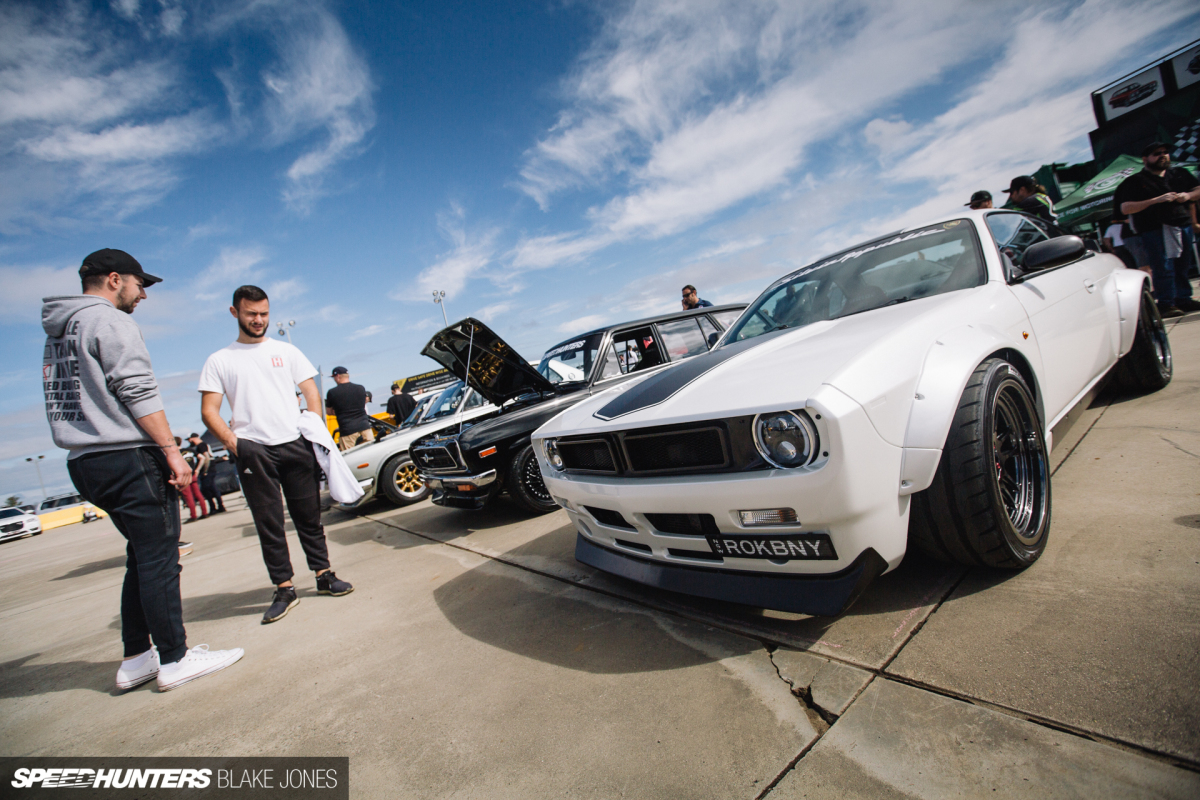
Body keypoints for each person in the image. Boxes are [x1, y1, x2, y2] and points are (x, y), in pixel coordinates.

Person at [41, 248, 242, 692]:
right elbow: (136, 389)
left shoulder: (60, 331)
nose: (143, 296)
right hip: (128, 456)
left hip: (85, 461)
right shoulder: (110, 321)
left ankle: (137, 658)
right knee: (160, 558)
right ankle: (175, 658)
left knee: (141, 557)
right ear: (115, 279)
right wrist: (170, 450)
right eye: (140, 285)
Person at [199, 285, 354, 624]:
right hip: (253, 450)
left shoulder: (287, 351)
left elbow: (311, 392)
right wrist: (237, 444)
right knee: (269, 523)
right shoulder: (219, 360)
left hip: (294, 443)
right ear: (234, 312)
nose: (258, 320)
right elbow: (209, 411)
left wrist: (313, 429)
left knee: (309, 515)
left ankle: (324, 575)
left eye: (264, 314)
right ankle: (284, 588)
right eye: (251, 313)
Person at [1113, 141, 1200, 317]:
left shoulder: (1179, 174)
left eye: (1165, 152)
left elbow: (1197, 190)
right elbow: (1125, 208)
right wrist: (1156, 200)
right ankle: (1166, 303)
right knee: (1163, 267)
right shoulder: (1135, 181)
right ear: (1145, 159)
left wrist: (1188, 195)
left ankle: (1183, 299)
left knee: (1182, 265)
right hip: (1154, 229)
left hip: (1181, 225)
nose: (1163, 155)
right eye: (1157, 153)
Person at [325, 366, 374, 451]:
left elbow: (328, 411)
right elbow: (361, 406)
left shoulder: (332, 392)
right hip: (365, 427)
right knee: (370, 453)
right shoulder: (360, 388)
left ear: (338, 376)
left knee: (351, 459)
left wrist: (338, 411)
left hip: (347, 430)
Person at [188, 432, 226, 514]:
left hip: (208, 470)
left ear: (193, 438)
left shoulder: (201, 445)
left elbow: (207, 457)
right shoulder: (204, 444)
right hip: (210, 469)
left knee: (207, 489)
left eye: (189, 439)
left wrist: (205, 470)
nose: (189, 441)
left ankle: (215, 507)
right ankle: (219, 506)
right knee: (212, 488)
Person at [176, 436, 206, 523]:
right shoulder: (190, 450)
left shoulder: (176, 453)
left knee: (188, 496)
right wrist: (197, 469)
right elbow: (202, 457)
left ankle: (193, 515)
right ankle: (204, 512)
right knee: (198, 494)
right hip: (193, 474)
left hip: (183, 477)